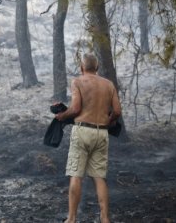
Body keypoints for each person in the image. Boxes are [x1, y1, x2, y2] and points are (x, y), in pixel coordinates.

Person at [55, 53, 121, 223]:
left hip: (83, 131)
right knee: (99, 177)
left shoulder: (77, 81)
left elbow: (76, 108)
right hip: (101, 133)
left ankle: (71, 219)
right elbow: (118, 111)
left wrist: (63, 115)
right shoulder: (108, 84)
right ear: (97, 68)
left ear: (82, 68)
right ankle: (105, 219)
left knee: (76, 175)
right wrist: (109, 121)